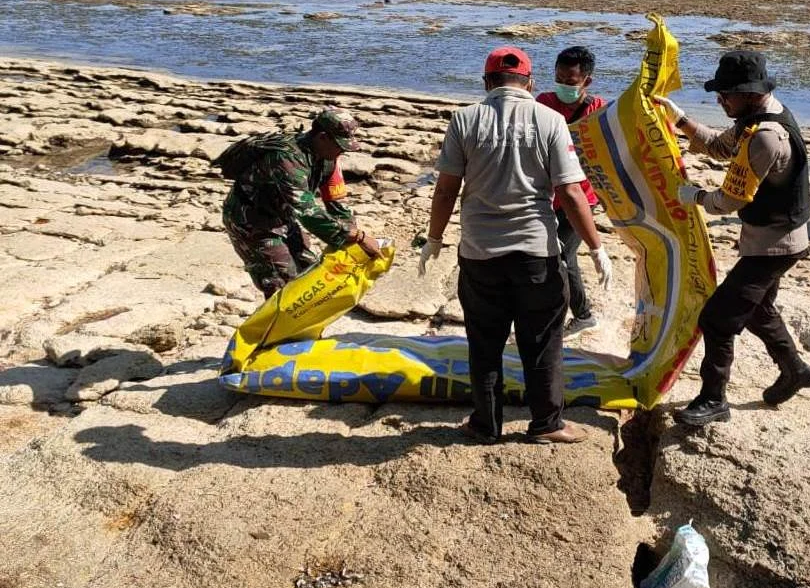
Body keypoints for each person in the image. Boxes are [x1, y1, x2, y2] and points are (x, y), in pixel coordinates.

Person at [418, 46, 613, 445]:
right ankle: (547, 424)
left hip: (479, 253)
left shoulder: (465, 119)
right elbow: (571, 192)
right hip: (536, 252)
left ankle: (484, 425)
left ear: (486, 82)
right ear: (531, 81)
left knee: (485, 341)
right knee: (542, 340)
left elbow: (445, 190)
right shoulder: (550, 120)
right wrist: (596, 247)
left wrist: (434, 239)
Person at [654, 50, 810, 427]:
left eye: (725, 94)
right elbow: (720, 147)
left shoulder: (765, 137)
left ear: (748, 93)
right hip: (777, 237)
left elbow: (728, 200)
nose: (719, 100)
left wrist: (694, 196)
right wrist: (679, 119)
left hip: (773, 247)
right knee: (759, 311)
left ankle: (714, 399)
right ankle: (796, 371)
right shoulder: (756, 117)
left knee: (716, 319)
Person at [220, 108, 384, 298]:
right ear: (322, 137)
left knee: (311, 271)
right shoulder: (286, 159)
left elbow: (337, 202)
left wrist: (352, 243)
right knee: (282, 282)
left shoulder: (329, 158)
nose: (342, 151)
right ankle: (277, 327)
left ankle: (303, 325)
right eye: (339, 145)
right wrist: (359, 237)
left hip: (283, 216)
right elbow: (307, 211)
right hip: (250, 221)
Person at [535, 46, 608, 335]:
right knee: (555, 255)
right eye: (560, 77)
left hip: (582, 198)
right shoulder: (543, 102)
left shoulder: (598, 109)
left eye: (571, 81)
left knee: (563, 255)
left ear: (586, 81)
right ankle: (568, 309)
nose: (564, 85)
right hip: (548, 195)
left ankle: (582, 314)